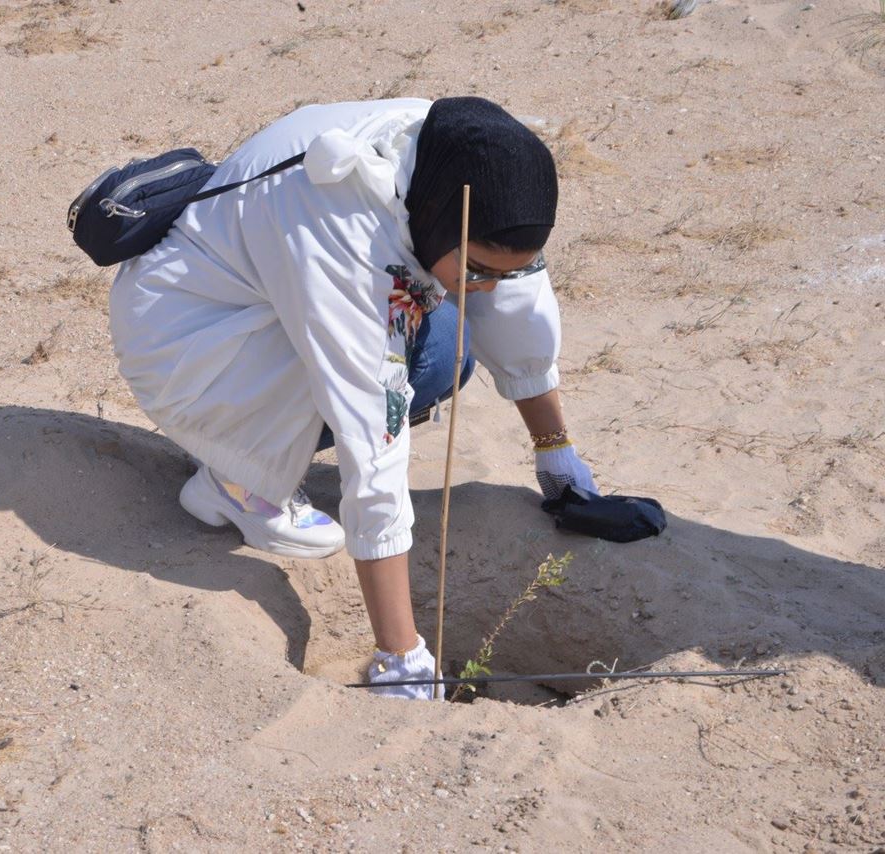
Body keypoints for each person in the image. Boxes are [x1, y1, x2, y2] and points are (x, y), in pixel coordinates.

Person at [108, 97, 597, 700]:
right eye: (476, 269)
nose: (488, 286)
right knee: (401, 361)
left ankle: (261, 454)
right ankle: (237, 481)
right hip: (189, 340)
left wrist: (555, 450)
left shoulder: (468, 166)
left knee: (445, 348)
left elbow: (518, 306)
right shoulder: (344, 227)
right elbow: (375, 431)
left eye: (504, 271)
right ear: (443, 223)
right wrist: (401, 654)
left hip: (266, 298)